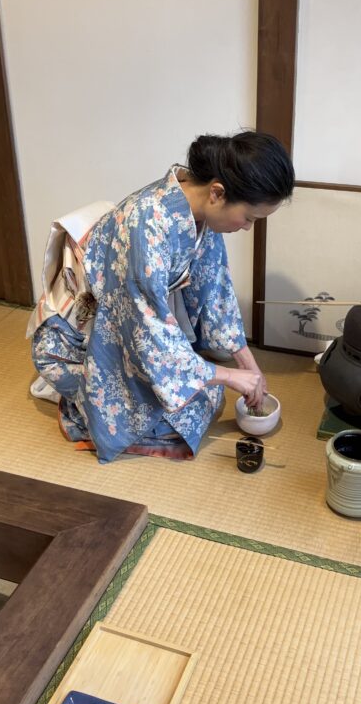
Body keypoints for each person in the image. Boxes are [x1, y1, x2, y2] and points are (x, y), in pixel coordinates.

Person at [30, 131, 295, 462]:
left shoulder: (199, 211)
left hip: (132, 327)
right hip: (83, 338)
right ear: (217, 192)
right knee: (184, 413)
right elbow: (147, 333)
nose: (247, 227)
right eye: (250, 218)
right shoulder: (146, 224)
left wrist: (249, 366)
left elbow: (215, 291)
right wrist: (228, 375)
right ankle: (81, 404)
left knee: (207, 396)